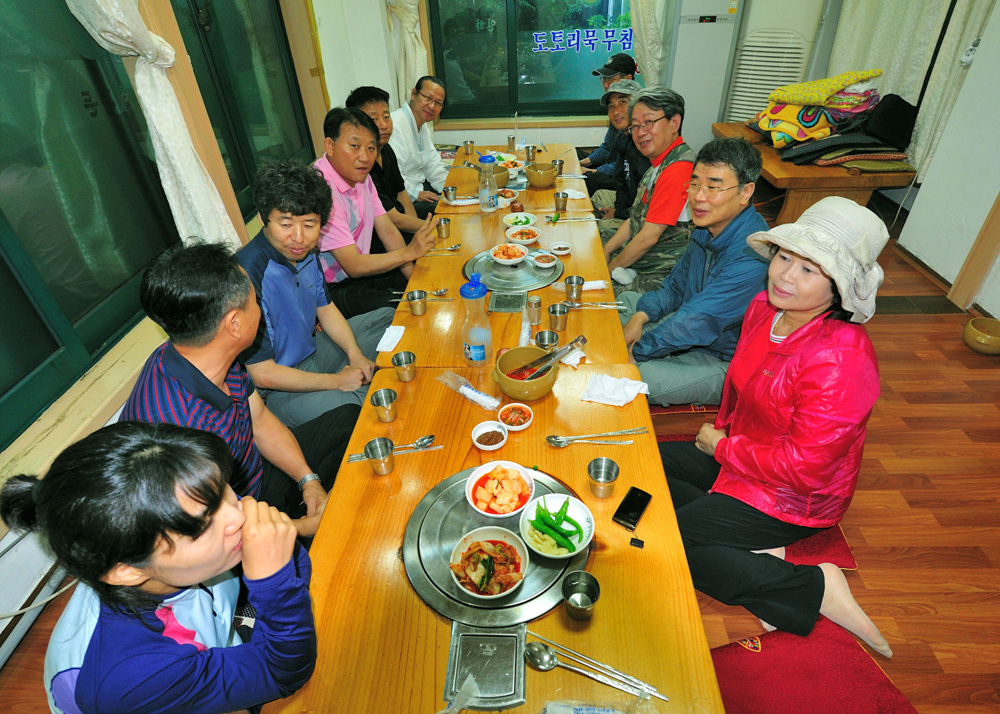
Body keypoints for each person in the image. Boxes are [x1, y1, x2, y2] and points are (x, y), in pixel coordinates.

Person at [660, 196, 893, 658]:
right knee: (646, 464)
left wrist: (722, 449)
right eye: (785, 257)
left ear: (838, 289)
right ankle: (734, 543)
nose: (786, 276)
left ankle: (812, 586)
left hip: (792, 495)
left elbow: (805, 469)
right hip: (745, 456)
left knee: (669, 538)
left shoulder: (842, 360)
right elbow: (742, 388)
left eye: (809, 270)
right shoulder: (765, 309)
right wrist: (724, 438)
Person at [0, 422, 315, 713]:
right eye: (202, 524)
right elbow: (283, 673)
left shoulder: (192, 512)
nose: (238, 515)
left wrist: (276, 565)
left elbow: (292, 562)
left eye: (222, 488)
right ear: (126, 571)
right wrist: (272, 581)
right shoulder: (132, 675)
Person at [123, 243, 357, 537]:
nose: (259, 307)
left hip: (256, 477)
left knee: (349, 421)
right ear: (234, 323)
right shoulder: (179, 430)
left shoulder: (206, 351)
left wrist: (308, 480)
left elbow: (259, 420)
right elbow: (212, 537)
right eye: (255, 300)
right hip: (228, 525)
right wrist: (303, 528)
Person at [237, 159, 391, 429]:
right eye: (286, 225)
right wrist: (337, 381)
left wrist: (354, 354)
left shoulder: (306, 253)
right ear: (263, 218)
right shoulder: (246, 275)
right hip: (278, 390)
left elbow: (326, 309)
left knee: (388, 319)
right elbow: (263, 375)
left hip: (315, 354)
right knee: (361, 404)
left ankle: (360, 375)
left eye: (309, 225)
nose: (299, 237)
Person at [619, 137, 769, 406]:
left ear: (745, 193)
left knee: (639, 376)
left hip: (724, 358)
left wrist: (638, 351)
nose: (699, 197)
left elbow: (698, 321)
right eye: (695, 184)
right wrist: (641, 317)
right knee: (625, 303)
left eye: (713, 187)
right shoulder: (707, 227)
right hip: (691, 327)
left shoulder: (753, 254)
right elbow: (675, 286)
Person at [314, 106, 436, 317]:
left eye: (371, 148)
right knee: (398, 306)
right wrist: (408, 253)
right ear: (330, 146)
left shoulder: (362, 177)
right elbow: (352, 265)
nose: (364, 157)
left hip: (361, 271)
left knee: (426, 280)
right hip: (330, 290)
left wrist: (415, 281)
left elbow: (388, 231)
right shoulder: (321, 189)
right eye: (354, 146)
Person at [604, 87, 694, 296]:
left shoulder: (679, 169)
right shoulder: (658, 164)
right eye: (635, 126)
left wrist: (608, 269)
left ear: (674, 123)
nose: (640, 132)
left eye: (649, 122)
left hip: (661, 276)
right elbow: (635, 218)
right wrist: (606, 251)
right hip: (641, 263)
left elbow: (648, 238)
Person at [344, 85, 428, 240]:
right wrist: (431, 228)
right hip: (378, 236)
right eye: (373, 119)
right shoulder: (362, 165)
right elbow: (394, 220)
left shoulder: (386, 149)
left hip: (399, 223)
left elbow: (402, 194)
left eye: (386, 117)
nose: (383, 125)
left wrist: (420, 232)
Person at [590, 79, 651, 242]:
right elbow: (621, 181)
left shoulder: (646, 143)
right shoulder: (623, 137)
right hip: (631, 203)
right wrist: (618, 209)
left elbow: (647, 205)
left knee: (599, 228)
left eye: (623, 102)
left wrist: (618, 213)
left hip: (646, 217)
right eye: (611, 106)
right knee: (599, 196)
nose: (616, 111)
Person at [389, 76, 449, 218]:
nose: (431, 106)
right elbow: (392, 176)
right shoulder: (395, 124)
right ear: (414, 94)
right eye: (427, 98)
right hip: (403, 198)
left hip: (420, 186)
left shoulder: (422, 126)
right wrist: (416, 194)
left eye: (438, 103)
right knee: (445, 213)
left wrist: (450, 188)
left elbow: (432, 165)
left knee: (458, 200)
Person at [580, 53, 639, 196]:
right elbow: (607, 148)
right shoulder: (616, 112)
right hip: (612, 166)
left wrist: (593, 171)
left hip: (624, 176)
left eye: (611, 79)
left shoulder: (637, 119)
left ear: (628, 79)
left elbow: (625, 166)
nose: (606, 85)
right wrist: (583, 163)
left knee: (586, 179)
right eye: (604, 79)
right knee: (574, 155)